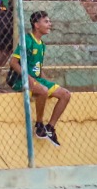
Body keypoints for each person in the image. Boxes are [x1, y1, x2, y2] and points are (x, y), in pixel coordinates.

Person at [11, 10, 70, 146]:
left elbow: (38, 68)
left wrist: (48, 82)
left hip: (37, 79)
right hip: (22, 80)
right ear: (37, 25)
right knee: (43, 91)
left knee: (65, 94)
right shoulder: (27, 40)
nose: (50, 24)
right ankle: (39, 124)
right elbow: (13, 62)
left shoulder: (42, 44)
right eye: (46, 21)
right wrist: (30, 79)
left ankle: (50, 128)